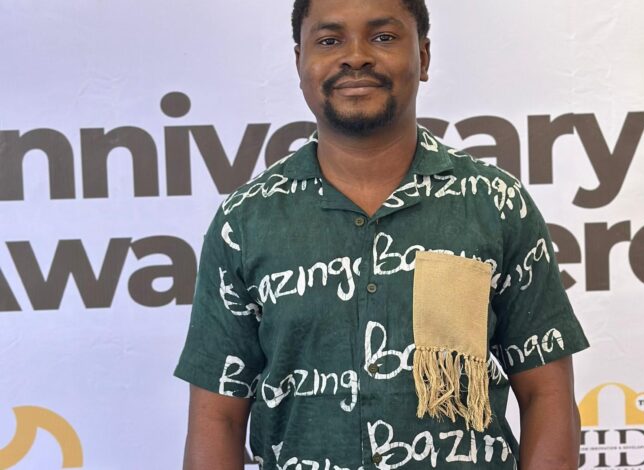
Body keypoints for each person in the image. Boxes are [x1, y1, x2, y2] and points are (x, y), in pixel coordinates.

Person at [174, 0, 589, 468]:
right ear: (299, 62)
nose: (355, 56)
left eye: (383, 37)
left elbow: (547, 396)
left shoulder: (495, 204)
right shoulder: (245, 222)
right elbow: (217, 420)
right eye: (329, 41)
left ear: (424, 57)